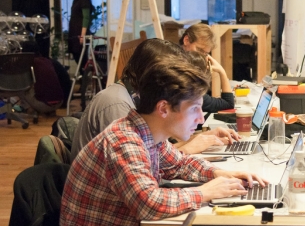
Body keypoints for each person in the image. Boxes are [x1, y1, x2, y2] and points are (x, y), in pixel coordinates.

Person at [58, 53, 267, 226]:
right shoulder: (124, 142)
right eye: (194, 108)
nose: (200, 119)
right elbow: (149, 204)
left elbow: (179, 162)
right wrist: (205, 192)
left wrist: (219, 173)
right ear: (164, 108)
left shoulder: (147, 132)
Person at [70, 39, 239, 162]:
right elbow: (140, 164)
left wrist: (197, 139)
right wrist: (189, 148)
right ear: (152, 72)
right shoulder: (117, 104)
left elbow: (154, 152)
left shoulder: (136, 98)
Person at [180, 23, 235, 113]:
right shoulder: (181, 71)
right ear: (186, 40)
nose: (203, 57)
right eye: (199, 50)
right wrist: (222, 72)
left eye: (205, 53)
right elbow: (228, 105)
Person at [68, 0, 93, 71]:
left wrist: (82, 35)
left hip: (80, 33)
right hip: (75, 32)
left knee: (81, 59)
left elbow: (86, 17)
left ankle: (86, 81)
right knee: (77, 56)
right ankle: (84, 80)